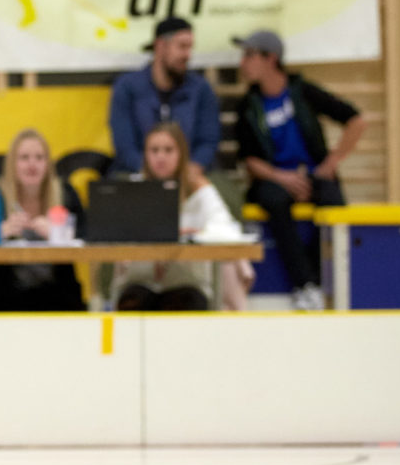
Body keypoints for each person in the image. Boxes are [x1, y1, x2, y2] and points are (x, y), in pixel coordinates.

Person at [233, 29, 364, 311]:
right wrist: (282, 177)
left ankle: (325, 278)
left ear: (271, 59)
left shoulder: (303, 92)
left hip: (313, 173)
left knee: (332, 199)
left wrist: (331, 163)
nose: (242, 63)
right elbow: (250, 160)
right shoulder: (248, 105)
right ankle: (305, 284)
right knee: (273, 200)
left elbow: (355, 120)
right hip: (274, 178)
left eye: (249, 56)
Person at [113, 122, 253, 311]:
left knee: (182, 304)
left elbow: (228, 230)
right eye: (154, 150)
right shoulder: (134, 189)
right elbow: (114, 234)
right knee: (132, 304)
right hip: (141, 283)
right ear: (145, 154)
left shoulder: (198, 188)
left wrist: (192, 236)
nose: (161, 157)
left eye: (168, 150)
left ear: (181, 154)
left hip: (187, 285)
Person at [0, 129, 86, 312]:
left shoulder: (64, 193)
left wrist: (57, 233)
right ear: (12, 164)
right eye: (24, 158)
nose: (32, 164)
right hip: (1, 293)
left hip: (56, 293)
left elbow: (89, 234)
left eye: (39, 158)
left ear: (48, 164)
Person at [108, 16, 221, 179]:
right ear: (160, 45)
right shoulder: (127, 87)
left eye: (190, 48)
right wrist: (153, 171)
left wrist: (191, 168)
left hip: (190, 174)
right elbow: (124, 146)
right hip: (140, 173)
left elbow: (208, 140)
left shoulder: (200, 89)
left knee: (223, 191)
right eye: (182, 47)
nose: (187, 55)